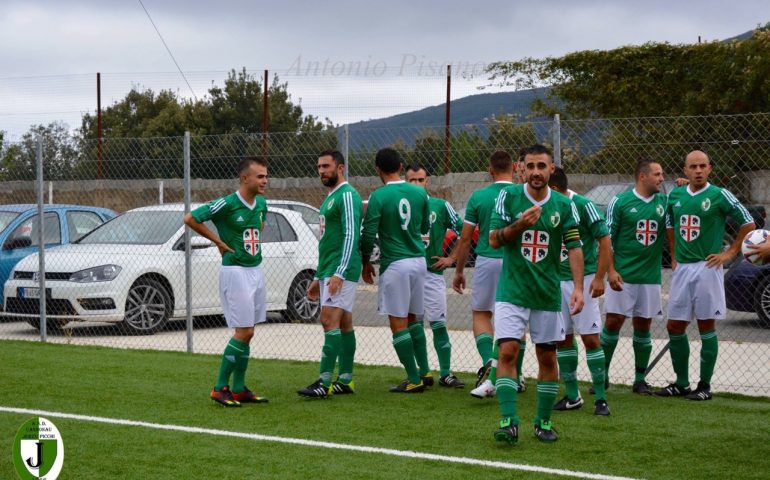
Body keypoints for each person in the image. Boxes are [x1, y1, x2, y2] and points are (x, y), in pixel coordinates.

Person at [488, 144, 584, 444]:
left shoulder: (564, 206)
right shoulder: (508, 197)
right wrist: (519, 226)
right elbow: (493, 240)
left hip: (546, 293)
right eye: (530, 166)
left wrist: (579, 288)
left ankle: (543, 422)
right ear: (520, 169)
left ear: (551, 169)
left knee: (546, 356)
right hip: (512, 290)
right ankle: (508, 421)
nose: (535, 172)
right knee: (507, 352)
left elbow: (575, 247)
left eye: (541, 166)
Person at [658, 150, 755, 400]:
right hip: (682, 270)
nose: (698, 171)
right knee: (674, 325)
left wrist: (731, 252)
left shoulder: (720, 195)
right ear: (685, 170)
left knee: (705, 326)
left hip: (707, 268)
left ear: (710, 169)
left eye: (703, 166)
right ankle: (681, 383)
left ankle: (704, 386)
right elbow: (669, 224)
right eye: (693, 167)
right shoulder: (676, 195)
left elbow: (748, 222)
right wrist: (674, 253)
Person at [434, 150, 526, 399]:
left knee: (482, 314)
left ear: (490, 170)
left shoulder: (480, 196)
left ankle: (489, 361)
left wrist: (460, 270)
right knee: (515, 317)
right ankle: (515, 374)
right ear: (515, 167)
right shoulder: (522, 194)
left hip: (487, 259)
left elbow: (465, 238)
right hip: (517, 262)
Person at [184, 157, 270, 407]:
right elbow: (190, 218)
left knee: (249, 332)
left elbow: (259, 226)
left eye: (266, 176)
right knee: (243, 331)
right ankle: (219, 387)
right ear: (245, 178)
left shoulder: (262, 203)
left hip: (256, 270)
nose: (265, 181)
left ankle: (240, 388)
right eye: (260, 176)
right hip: (235, 272)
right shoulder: (228, 203)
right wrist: (218, 241)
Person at [361, 147, 431, 393]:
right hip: (419, 262)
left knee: (398, 323)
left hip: (395, 264)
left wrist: (365, 261)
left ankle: (414, 379)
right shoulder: (420, 193)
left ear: (378, 170)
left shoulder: (378, 197)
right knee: (414, 319)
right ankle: (425, 370)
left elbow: (369, 233)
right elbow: (424, 225)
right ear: (401, 167)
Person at [599, 159, 668, 396]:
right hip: (623, 276)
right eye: (657, 174)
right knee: (613, 322)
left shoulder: (664, 202)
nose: (661, 178)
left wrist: (682, 185)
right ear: (642, 176)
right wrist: (610, 271)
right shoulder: (620, 202)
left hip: (650, 277)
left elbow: (684, 203)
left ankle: (640, 379)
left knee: (643, 325)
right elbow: (606, 240)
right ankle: (603, 375)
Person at [547, 167, 612, 416]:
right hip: (555, 280)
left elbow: (604, 241)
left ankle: (601, 399)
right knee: (562, 338)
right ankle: (572, 395)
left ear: (553, 188)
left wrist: (598, 278)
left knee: (590, 337)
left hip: (582, 280)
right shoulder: (545, 205)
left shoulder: (584, 205)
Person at [298, 150, 362, 398]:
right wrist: (318, 277)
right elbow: (329, 241)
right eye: (319, 167)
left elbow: (350, 235)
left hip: (340, 269)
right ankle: (345, 380)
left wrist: (340, 272)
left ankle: (323, 383)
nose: (322, 171)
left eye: (326, 166)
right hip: (329, 268)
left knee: (328, 320)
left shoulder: (347, 195)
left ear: (341, 168)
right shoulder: (330, 197)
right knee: (344, 322)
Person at [404, 163, 465, 388]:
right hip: (409, 276)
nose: (417, 184)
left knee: (438, 324)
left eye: (421, 180)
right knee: (414, 325)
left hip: (432, 275)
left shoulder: (441, 206)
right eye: (413, 180)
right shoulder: (402, 208)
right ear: (406, 181)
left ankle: (446, 373)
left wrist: (451, 259)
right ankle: (424, 372)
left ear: (427, 182)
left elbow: (463, 231)